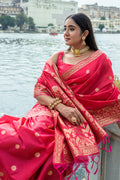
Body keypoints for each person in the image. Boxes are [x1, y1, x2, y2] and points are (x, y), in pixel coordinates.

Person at [0, 13, 120, 180]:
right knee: (15, 136)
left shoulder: (100, 60)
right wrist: (61, 107)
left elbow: (106, 95)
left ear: (85, 34)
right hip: (49, 109)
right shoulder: (57, 58)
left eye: (72, 29)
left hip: (74, 118)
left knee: (45, 141)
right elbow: (39, 90)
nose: (66, 33)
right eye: (65, 28)